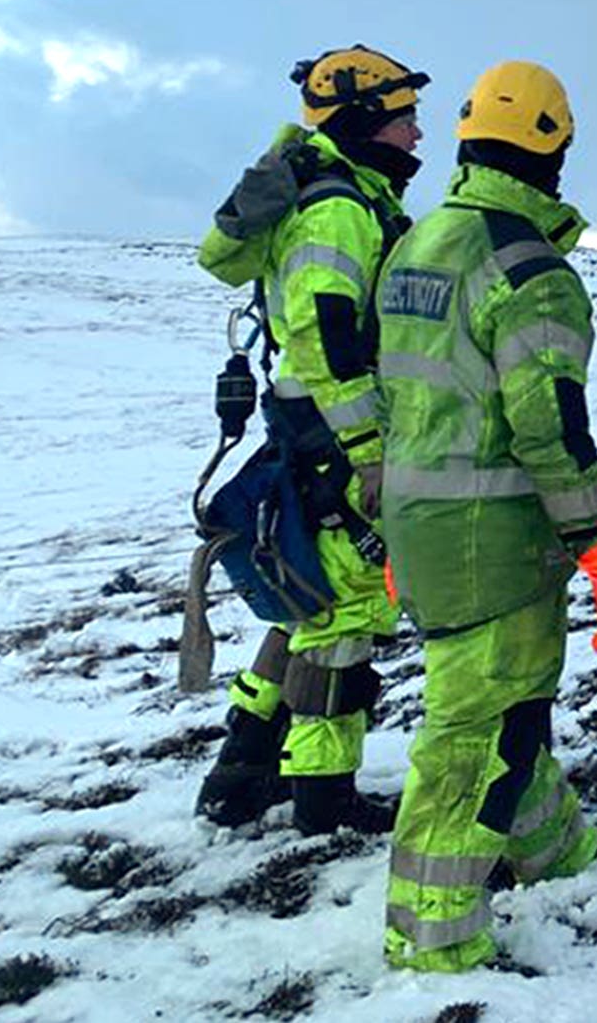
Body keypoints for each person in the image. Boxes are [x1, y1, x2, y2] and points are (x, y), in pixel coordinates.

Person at [376, 60, 597, 972]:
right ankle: (434, 939)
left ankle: (553, 852)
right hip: (494, 547)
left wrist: (389, 524)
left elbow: (392, 405)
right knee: (478, 734)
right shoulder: (533, 274)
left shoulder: (415, 248)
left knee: (510, 710)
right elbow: (551, 436)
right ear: (554, 144)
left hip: (419, 529)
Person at [195, 46, 430, 835]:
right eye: (403, 120)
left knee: (308, 608)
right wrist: (370, 451)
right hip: (335, 433)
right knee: (346, 617)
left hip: (309, 430)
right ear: (365, 123)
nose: (416, 136)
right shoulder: (338, 211)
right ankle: (323, 797)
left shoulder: (339, 197)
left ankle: (241, 771)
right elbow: (327, 339)